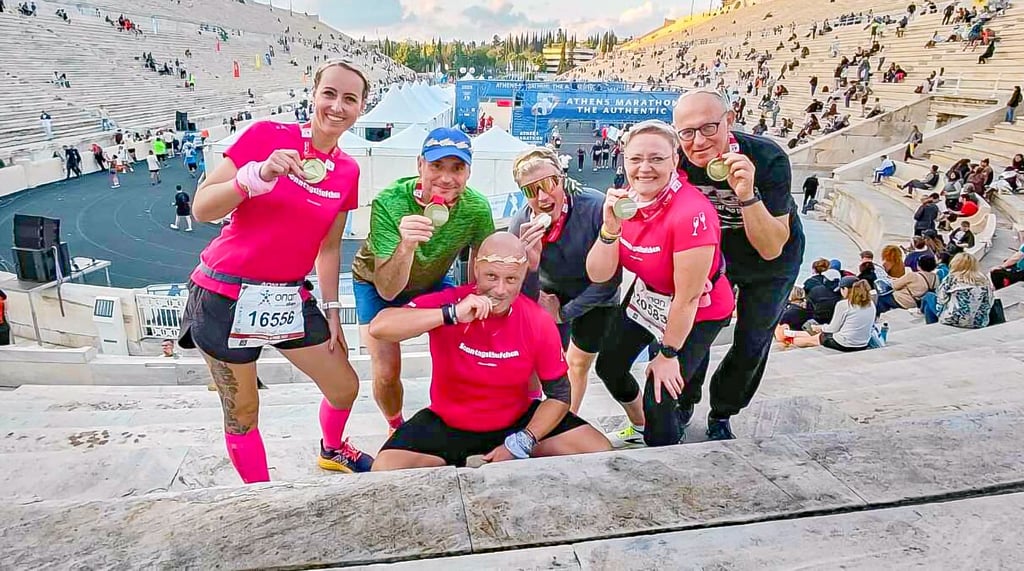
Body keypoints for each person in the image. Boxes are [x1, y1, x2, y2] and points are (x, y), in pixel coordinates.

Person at [177, 60, 375, 483]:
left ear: (361, 108)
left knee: (344, 387)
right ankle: (262, 498)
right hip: (224, 295)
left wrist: (334, 310)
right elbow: (202, 207)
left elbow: (329, 247)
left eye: (350, 99)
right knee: (243, 411)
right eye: (330, 93)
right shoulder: (269, 136)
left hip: (287, 297)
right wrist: (255, 176)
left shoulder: (348, 171)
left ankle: (332, 449)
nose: (337, 106)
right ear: (314, 94)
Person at [368, 233, 611, 470]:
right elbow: (380, 326)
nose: (500, 290)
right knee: (386, 467)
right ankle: (458, 461)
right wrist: (449, 315)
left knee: (598, 449)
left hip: (514, 422)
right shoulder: (453, 303)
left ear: (523, 275)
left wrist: (523, 441)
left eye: (511, 279)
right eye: (491, 277)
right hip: (448, 423)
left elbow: (559, 395)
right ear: (476, 270)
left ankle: (509, 454)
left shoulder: (537, 320)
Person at [588, 119, 735, 447]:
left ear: (674, 161)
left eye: (656, 158)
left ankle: (664, 457)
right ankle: (641, 428)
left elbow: (688, 297)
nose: (644, 168)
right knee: (609, 367)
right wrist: (609, 228)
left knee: (660, 395)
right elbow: (598, 274)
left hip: (697, 309)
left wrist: (667, 353)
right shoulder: (626, 201)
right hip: (649, 298)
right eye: (635, 159)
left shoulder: (691, 213)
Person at [672, 90, 803, 440]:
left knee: (752, 340)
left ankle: (723, 411)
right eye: (687, 132)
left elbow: (772, 247)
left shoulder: (767, 157)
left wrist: (746, 193)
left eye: (709, 127)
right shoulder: (676, 161)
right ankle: (684, 401)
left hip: (771, 257)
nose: (698, 142)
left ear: (730, 121)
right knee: (695, 331)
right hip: (716, 254)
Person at [351, 127, 495, 433]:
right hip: (376, 282)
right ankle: (396, 426)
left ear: (469, 172)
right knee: (388, 370)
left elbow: (479, 274)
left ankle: (455, 418)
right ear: (420, 165)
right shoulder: (390, 203)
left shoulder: (477, 209)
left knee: (462, 354)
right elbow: (388, 290)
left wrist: (476, 306)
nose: (446, 178)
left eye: (457, 168)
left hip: (432, 280)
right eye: (436, 166)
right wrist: (407, 246)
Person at [509, 147, 620, 413]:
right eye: (531, 190)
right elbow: (518, 282)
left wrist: (564, 314)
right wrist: (531, 266)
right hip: (552, 292)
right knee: (541, 361)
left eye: (550, 184)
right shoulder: (522, 220)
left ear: (562, 178)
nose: (543, 197)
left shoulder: (594, 206)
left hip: (597, 297)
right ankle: (535, 414)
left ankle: (567, 421)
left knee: (577, 364)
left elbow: (611, 280)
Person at [787, 277, 874, 351]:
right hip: (863, 343)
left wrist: (819, 327)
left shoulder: (843, 305)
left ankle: (790, 339)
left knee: (813, 339)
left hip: (846, 344)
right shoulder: (870, 303)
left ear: (846, 289)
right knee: (818, 334)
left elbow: (832, 329)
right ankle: (790, 334)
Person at [921, 252, 993, 327]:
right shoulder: (983, 280)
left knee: (928, 296)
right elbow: (989, 300)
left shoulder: (952, 279)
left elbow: (941, 299)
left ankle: (929, 322)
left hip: (954, 320)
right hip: (979, 322)